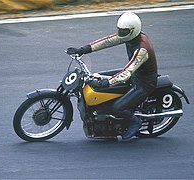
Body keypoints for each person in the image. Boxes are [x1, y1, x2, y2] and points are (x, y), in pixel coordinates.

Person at [67, 12, 158, 140]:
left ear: (133, 30)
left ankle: (135, 121)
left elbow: (127, 72)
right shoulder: (130, 36)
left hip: (144, 83)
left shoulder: (142, 49)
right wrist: (83, 49)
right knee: (96, 77)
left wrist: (108, 82)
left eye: (123, 31)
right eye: (119, 30)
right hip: (135, 74)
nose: (120, 33)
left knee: (117, 108)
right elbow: (107, 41)